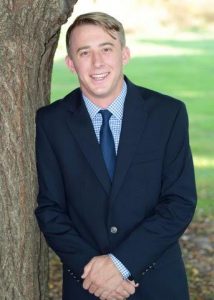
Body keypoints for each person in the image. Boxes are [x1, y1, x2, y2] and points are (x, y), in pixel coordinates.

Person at [35, 11, 197, 300]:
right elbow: (50, 210)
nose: (97, 63)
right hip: (87, 284)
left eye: (106, 49)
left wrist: (120, 266)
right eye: (85, 53)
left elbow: (179, 202)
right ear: (71, 64)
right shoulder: (52, 122)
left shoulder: (167, 114)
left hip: (157, 282)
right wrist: (96, 273)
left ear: (125, 54)